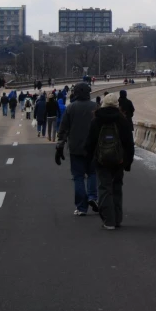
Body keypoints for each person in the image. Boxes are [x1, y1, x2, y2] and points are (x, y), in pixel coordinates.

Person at [83, 93, 135, 230]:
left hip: (101, 160)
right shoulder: (122, 120)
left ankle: (108, 220)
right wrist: (128, 162)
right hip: (119, 160)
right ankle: (117, 219)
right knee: (117, 188)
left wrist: (88, 161)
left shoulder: (97, 120)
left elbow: (90, 143)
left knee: (105, 188)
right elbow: (129, 144)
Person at [57, 82, 100, 216]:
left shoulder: (71, 108)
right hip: (93, 147)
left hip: (76, 147)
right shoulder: (96, 107)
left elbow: (63, 129)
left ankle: (81, 207)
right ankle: (93, 197)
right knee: (92, 173)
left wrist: (60, 145)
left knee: (78, 177)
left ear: (75, 93)